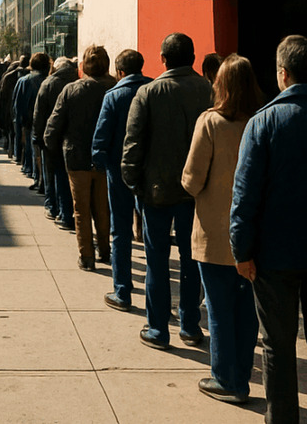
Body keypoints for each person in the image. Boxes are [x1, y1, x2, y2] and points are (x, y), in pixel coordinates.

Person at [229, 34, 307, 424]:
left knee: (278, 345)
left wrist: (241, 249)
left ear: (282, 74)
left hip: (275, 255)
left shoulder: (263, 122)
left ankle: (282, 418)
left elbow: (245, 193)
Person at [122, 33, 213, 350]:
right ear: (192, 56)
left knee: (157, 262)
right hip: (197, 193)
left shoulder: (148, 93)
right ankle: (190, 325)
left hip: (156, 192)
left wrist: (135, 186)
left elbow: (132, 147)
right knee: (192, 262)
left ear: (162, 58)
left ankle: (158, 328)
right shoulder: (208, 90)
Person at [181, 54, 262, 404]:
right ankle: (241, 376)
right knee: (246, 312)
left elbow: (192, 179)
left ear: (222, 85)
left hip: (215, 232)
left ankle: (225, 378)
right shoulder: (262, 121)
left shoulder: (211, 122)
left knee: (217, 308)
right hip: (254, 233)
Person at [44, 46, 117, 270]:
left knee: (81, 209)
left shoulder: (71, 90)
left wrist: (51, 146)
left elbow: (54, 124)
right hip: (106, 157)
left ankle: (87, 256)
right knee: (103, 208)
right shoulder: (114, 88)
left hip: (77, 156)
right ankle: (105, 250)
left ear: (83, 66)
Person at [91, 49, 152, 311]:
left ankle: (123, 290)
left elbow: (101, 138)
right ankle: (153, 292)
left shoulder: (114, 96)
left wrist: (101, 164)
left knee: (121, 231)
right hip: (150, 171)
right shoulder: (154, 90)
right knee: (152, 233)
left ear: (120, 72)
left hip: (119, 171)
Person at [35, 57, 79, 227]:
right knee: (66, 177)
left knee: (52, 174)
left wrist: (38, 137)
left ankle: (53, 207)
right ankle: (65, 211)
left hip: (51, 136)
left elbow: (39, 114)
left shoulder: (48, 84)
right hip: (72, 138)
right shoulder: (77, 82)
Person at [13, 53, 52, 188]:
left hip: (30, 122)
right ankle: (42, 179)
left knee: (32, 148)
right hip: (48, 122)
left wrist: (20, 123)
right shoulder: (50, 81)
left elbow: (17, 106)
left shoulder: (24, 81)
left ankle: (36, 176)